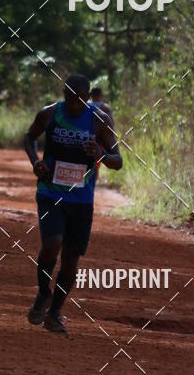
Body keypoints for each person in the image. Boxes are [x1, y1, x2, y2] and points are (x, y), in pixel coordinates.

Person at [24, 74, 123, 334]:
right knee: (52, 243)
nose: (73, 105)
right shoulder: (50, 114)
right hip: (50, 192)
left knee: (71, 260)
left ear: (88, 98)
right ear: (63, 95)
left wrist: (101, 154)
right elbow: (29, 137)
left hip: (81, 200)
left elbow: (118, 160)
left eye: (79, 100)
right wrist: (36, 161)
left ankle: (54, 312)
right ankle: (43, 293)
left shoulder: (99, 120)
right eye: (69, 99)